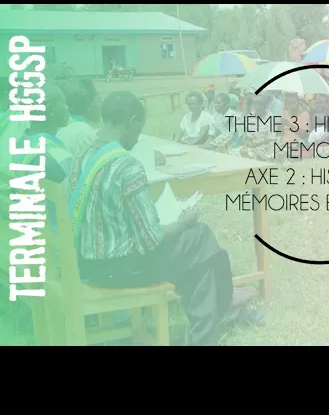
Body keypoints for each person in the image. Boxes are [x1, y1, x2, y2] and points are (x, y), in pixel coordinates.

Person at [67, 91, 260, 346]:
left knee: (199, 253)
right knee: (200, 239)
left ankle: (220, 312)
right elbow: (150, 240)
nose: (137, 138)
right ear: (132, 121)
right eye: (138, 130)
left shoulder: (82, 157)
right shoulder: (126, 166)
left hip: (86, 264)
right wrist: (182, 222)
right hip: (118, 268)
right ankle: (211, 326)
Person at [57, 79, 101, 157]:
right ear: (89, 104)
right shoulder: (84, 133)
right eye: (99, 101)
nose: (100, 106)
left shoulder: (62, 128)